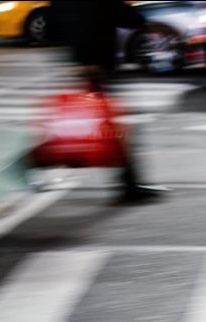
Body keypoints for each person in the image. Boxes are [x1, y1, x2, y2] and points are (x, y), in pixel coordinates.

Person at [49, 0, 167, 203]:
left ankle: (128, 183)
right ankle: (128, 185)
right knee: (114, 127)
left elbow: (54, 23)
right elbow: (123, 15)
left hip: (87, 62)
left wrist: (77, 57)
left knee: (106, 126)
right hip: (98, 64)